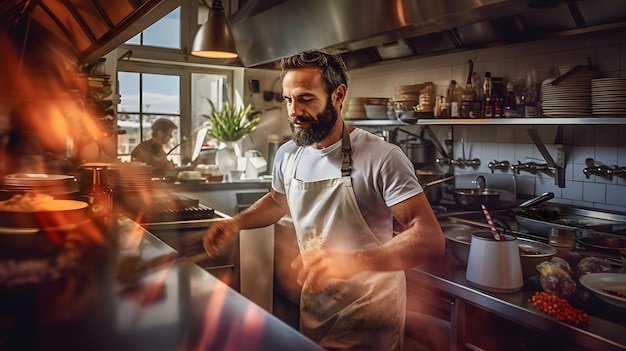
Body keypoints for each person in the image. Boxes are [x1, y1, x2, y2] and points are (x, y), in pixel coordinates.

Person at [202, 50, 445, 350]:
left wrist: (352, 260)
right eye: (288, 99)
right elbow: (278, 202)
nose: (293, 111)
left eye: (305, 99)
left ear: (338, 95)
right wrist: (236, 223)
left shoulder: (381, 157)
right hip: (316, 306)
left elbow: (430, 237)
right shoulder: (288, 155)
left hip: (371, 314)